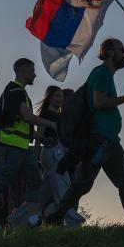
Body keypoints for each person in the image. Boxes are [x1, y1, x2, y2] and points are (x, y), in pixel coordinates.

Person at [43, 38, 124, 225]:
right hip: (101, 141)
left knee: (122, 180)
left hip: (109, 141)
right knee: (85, 183)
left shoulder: (105, 75)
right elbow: (99, 102)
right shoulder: (103, 73)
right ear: (111, 52)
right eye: (121, 50)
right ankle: (56, 216)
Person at [0, 59, 55, 227]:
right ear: (23, 70)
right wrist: (51, 124)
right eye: (32, 70)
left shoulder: (21, 93)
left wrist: (40, 138)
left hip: (22, 148)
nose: (35, 74)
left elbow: (23, 122)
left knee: (35, 179)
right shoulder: (15, 90)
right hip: (9, 147)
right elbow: (28, 117)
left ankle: (33, 219)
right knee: (2, 181)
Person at [36, 86, 84, 227]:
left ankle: (18, 218)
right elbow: (39, 136)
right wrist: (35, 158)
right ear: (49, 97)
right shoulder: (45, 115)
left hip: (59, 154)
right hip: (51, 153)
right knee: (64, 189)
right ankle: (73, 221)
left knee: (42, 195)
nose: (59, 99)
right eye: (57, 96)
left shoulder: (61, 117)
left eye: (61, 97)